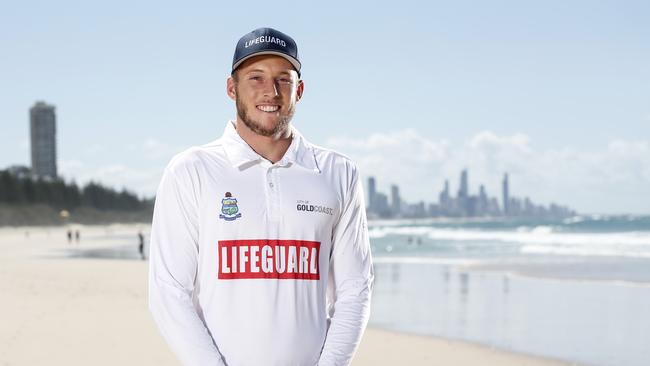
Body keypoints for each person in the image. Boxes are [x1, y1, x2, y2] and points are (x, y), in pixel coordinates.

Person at [148, 27, 374, 366]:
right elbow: (169, 293)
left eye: (283, 79)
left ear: (299, 90)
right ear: (231, 87)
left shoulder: (337, 173)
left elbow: (355, 290)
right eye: (255, 77)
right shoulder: (191, 170)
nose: (271, 91)